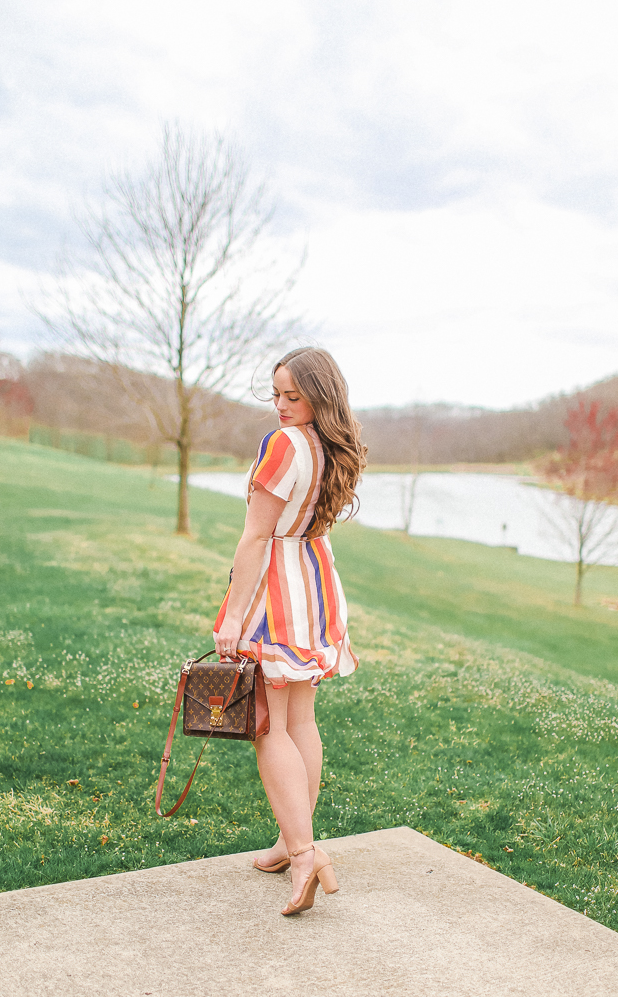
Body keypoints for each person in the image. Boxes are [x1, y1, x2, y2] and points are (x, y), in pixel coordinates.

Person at [213, 346, 367, 915]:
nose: (280, 405)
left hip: (275, 592)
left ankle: (303, 852)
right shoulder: (333, 446)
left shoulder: (284, 445)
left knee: (268, 726)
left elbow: (256, 537)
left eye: (293, 396)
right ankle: (290, 840)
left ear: (319, 397)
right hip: (313, 586)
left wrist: (233, 616)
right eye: (276, 394)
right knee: (300, 717)